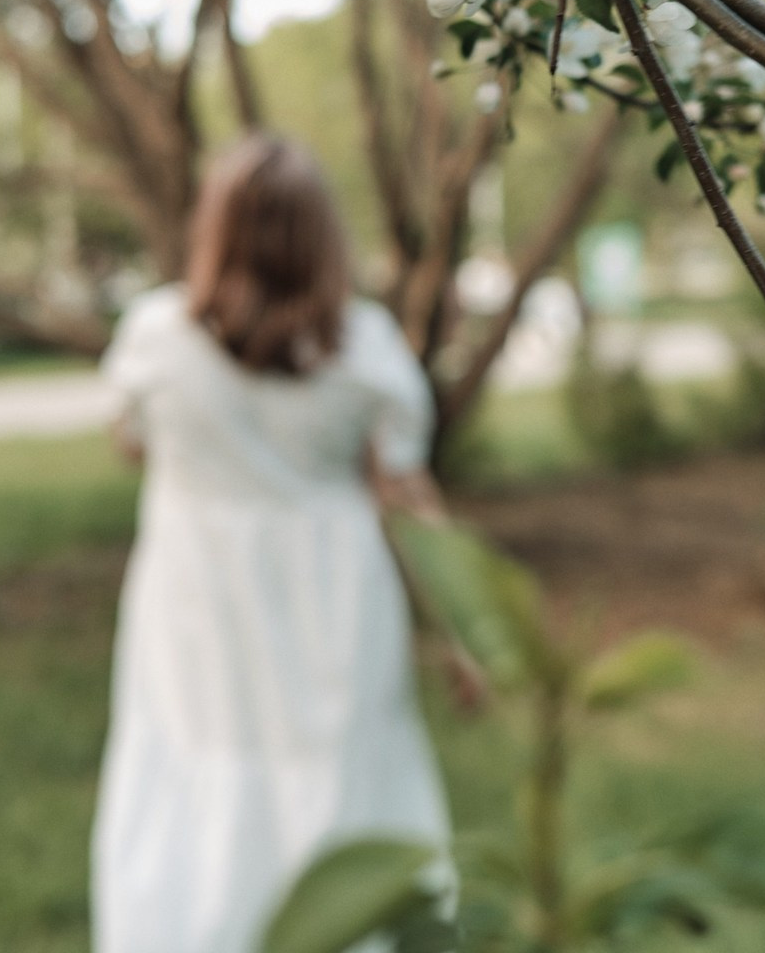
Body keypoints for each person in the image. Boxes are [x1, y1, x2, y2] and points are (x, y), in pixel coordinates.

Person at [92, 134, 481, 953]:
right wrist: (465, 636)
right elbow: (407, 496)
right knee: (337, 771)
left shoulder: (157, 337)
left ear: (216, 229)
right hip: (331, 593)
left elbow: (130, 444)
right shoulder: (364, 348)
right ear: (322, 238)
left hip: (197, 590)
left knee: (195, 765)